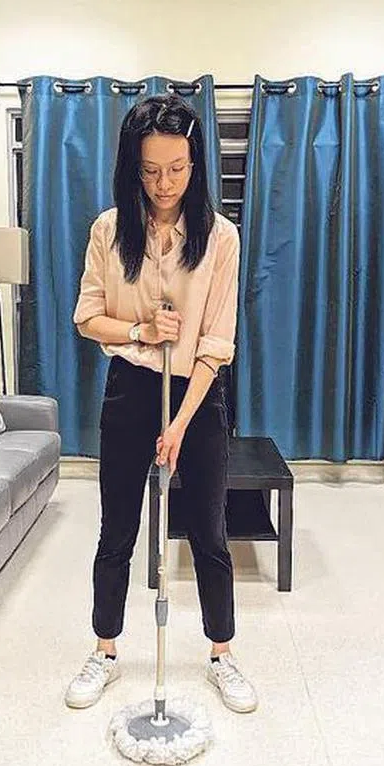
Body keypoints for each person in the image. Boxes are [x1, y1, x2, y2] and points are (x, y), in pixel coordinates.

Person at [65, 94, 256, 714]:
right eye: (150, 170)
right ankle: (104, 651)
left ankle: (222, 654)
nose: (165, 183)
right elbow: (87, 318)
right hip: (130, 386)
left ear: (195, 164)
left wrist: (178, 425)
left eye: (177, 168)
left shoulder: (220, 237)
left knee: (209, 530)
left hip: (197, 393)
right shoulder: (108, 230)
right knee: (116, 528)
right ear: (133, 168)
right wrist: (141, 330)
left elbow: (216, 342)